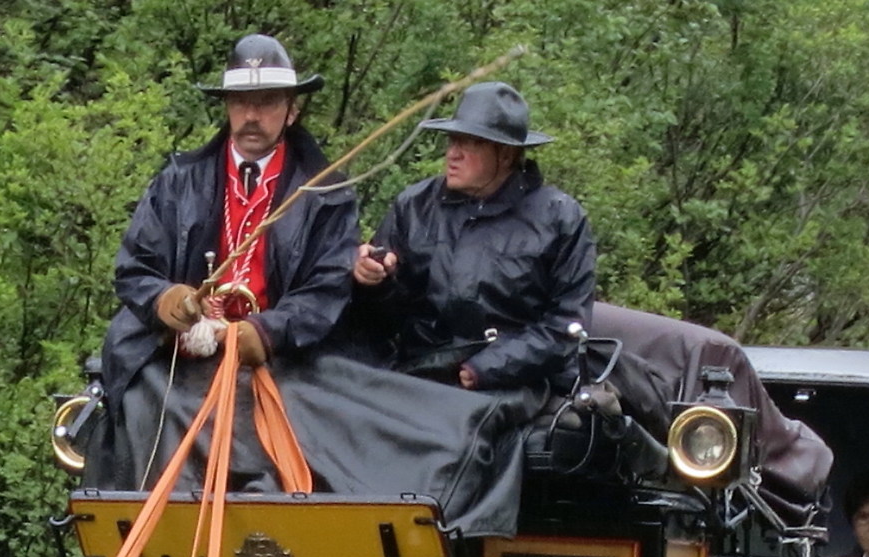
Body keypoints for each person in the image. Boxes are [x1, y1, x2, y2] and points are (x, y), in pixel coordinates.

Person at [95, 33, 360, 487]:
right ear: (227, 106)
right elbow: (134, 266)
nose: (251, 115)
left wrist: (264, 332)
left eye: (267, 102)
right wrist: (167, 301)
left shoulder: (325, 194)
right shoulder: (179, 180)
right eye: (241, 102)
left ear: (292, 110)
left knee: (310, 422)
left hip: (278, 356)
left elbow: (326, 290)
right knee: (143, 403)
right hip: (182, 351)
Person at [348, 82, 596, 394]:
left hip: (514, 384)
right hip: (418, 373)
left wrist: (485, 369)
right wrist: (372, 281)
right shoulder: (415, 205)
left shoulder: (561, 219)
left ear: (505, 154)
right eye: (452, 140)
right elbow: (381, 319)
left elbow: (566, 326)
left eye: (469, 144)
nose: (452, 154)